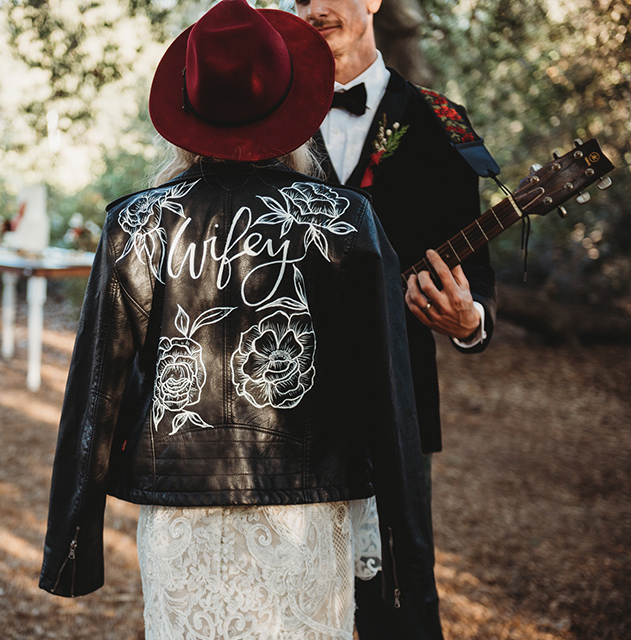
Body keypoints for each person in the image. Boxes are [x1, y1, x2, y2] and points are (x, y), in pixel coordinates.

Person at [39, 0, 437, 638]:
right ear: (291, 104)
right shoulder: (346, 221)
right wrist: (407, 560)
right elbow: (390, 397)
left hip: (181, 517)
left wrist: (70, 547)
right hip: (312, 510)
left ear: (187, 111)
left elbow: (93, 394)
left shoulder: (136, 225)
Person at [292, 0, 499, 638]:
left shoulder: (441, 122)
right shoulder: (265, 118)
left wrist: (468, 322)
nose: (313, 8)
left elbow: (480, 290)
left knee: (395, 611)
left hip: (395, 407)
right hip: (280, 407)